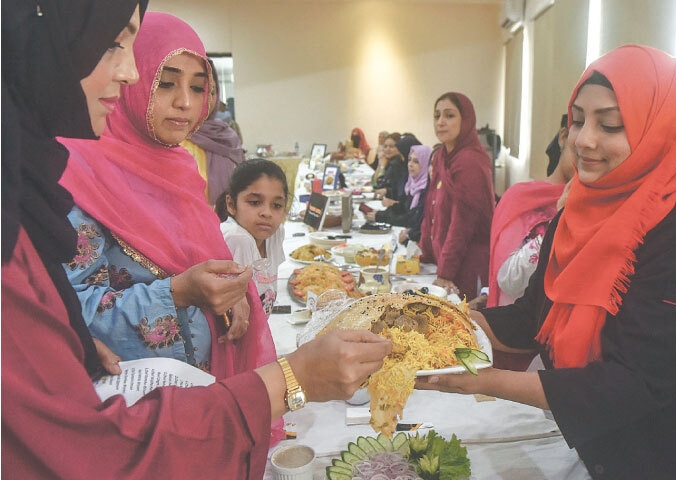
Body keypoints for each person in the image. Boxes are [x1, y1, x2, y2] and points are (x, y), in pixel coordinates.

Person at [1, 4, 392, 478]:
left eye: (197, 86)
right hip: (133, 421)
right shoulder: (70, 175)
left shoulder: (180, 169)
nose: (186, 103)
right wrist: (179, 293)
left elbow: (200, 258)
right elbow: (68, 320)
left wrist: (232, 297)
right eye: (164, 83)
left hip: (197, 405)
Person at [417, 45, 676, 479]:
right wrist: (447, 320)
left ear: (659, 131)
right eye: (577, 120)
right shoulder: (574, 217)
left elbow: (630, 384)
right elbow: (532, 316)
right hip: (602, 452)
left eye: (610, 124)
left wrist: (481, 379)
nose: (584, 140)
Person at [469, 116, 574, 312]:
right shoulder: (522, 199)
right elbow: (507, 281)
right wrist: (558, 224)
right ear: (564, 137)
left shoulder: (600, 207)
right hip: (517, 329)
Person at [419, 92, 495, 300]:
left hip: (467, 266)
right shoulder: (443, 155)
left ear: (466, 119)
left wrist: (445, 272)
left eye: (449, 116)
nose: (441, 122)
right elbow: (431, 207)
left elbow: (462, 224)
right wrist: (424, 253)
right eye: (437, 116)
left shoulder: (470, 161)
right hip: (445, 262)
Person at [216, 158, 288, 315]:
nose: (267, 213)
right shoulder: (236, 238)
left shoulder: (275, 234)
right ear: (231, 204)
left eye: (276, 205)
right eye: (255, 202)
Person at [182, 58, 245, 204]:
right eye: (197, 89)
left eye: (213, 91)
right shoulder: (174, 139)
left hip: (228, 223)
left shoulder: (228, 137)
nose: (207, 98)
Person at [366, 144, 432, 231]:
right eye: (409, 160)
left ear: (426, 164)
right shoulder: (412, 184)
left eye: (416, 161)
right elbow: (404, 207)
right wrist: (380, 213)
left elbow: (411, 218)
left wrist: (382, 217)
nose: (410, 164)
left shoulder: (427, 189)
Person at [375, 132, 420, 200]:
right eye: (385, 146)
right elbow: (375, 182)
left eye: (392, 146)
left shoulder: (396, 164)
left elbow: (379, 185)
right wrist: (380, 164)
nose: (388, 149)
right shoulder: (391, 161)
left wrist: (382, 166)